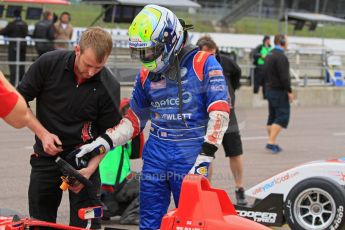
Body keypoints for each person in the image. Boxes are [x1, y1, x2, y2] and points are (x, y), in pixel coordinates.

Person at [72, 5, 230, 230]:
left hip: (191, 150)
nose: (145, 57)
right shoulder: (146, 73)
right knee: (148, 220)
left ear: (170, 39)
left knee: (193, 221)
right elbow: (133, 121)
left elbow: (220, 110)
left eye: (150, 50)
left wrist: (207, 154)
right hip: (156, 150)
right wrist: (101, 144)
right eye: (140, 52)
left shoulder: (203, 62)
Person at [17, 27, 121, 229]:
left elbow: (109, 135)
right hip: (46, 158)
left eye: (98, 67)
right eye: (88, 65)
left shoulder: (110, 85)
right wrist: (42, 134)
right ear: (77, 50)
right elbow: (19, 100)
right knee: (40, 224)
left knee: (87, 224)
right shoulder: (48, 63)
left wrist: (90, 170)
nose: (91, 72)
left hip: (84, 162)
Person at [196, 35, 247, 206]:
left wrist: (231, 91)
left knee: (235, 153)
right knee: (206, 155)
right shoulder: (194, 66)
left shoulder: (226, 62)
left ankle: (240, 189)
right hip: (206, 118)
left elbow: (237, 74)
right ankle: (204, 191)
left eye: (212, 54)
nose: (210, 58)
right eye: (206, 55)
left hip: (228, 116)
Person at [99, 98, 143, 225]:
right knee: (152, 180)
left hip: (98, 199)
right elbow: (137, 153)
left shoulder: (100, 133)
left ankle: (105, 212)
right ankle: (130, 215)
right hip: (112, 195)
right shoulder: (124, 136)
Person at [263, 34, 293, 154]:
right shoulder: (281, 57)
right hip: (279, 91)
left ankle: (273, 142)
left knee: (272, 117)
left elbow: (263, 73)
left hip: (269, 89)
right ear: (282, 42)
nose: (288, 43)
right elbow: (284, 77)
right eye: (287, 41)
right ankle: (271, 142)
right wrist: (289, 91)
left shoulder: (269, 55)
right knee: (282, 116)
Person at [0, 9, 28, 86]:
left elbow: (3, 32)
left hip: (14, 47)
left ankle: (13, 83)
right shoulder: (24, 23)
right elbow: (26, 34)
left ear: (14, 15)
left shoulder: (12, 24)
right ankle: (22, 82)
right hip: (23, 47)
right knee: (21, 64)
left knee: (13, 65)